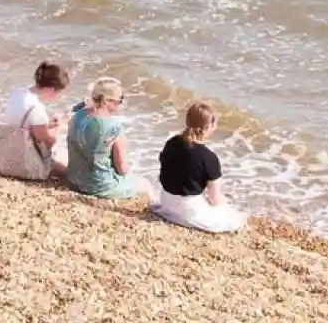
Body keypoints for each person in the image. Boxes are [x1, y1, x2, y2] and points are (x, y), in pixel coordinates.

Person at [154, 101, 246, 233]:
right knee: (237, 219)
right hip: (187, 210)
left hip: (166, 201)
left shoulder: (171, 143)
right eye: (214, 124)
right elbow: (215, 199)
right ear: (208, 127)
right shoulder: (208, 157)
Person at [66, 76, 147, 201]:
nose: (121, 103)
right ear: (107, 100)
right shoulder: (113, 127)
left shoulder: (77, 115)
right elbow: (122, 169)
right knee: (145, 185)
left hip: (74, 179)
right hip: (98, 187)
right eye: (120, 99)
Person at [0, 61, 68, 181]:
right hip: (22, 165)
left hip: (3, 158)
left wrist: (47, 124)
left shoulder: (19, 93)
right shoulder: (37, 109)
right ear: (52, 89)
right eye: (58, 92)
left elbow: (23, 124)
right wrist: (58, 128)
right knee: (63, 170)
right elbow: (46, 142)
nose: (57, 95)